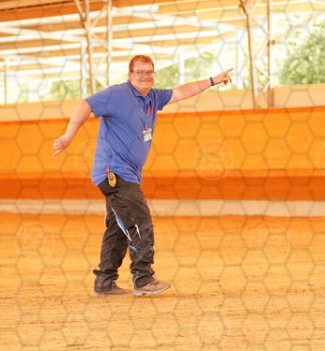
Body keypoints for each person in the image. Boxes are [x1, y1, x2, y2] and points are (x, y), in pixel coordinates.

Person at [53, 55, 232, 296]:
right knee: (139, 221)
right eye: (139, 72)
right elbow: (86, 105)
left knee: (118, 228)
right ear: (130, 75)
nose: (145, 77)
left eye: (149, 72)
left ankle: (105, 281)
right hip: (113, 172)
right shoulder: (117, 94)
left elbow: (182, 92)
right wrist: (68, 137)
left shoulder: (153, 97)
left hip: (129, 174)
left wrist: (212, 81)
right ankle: (143, 278)